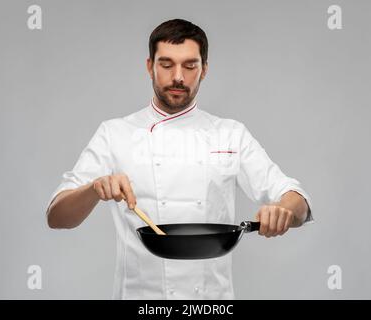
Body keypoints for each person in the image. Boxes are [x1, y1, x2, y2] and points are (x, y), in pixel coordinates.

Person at [46, 18, 314, 299]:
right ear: (150, 66)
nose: (178, 77)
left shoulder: (230, 134)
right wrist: (94, 188)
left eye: (190, 66)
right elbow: (57, 217)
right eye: (166, 65)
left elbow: (299, 201)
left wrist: (283, 210)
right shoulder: (115, 134)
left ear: (204, 70)